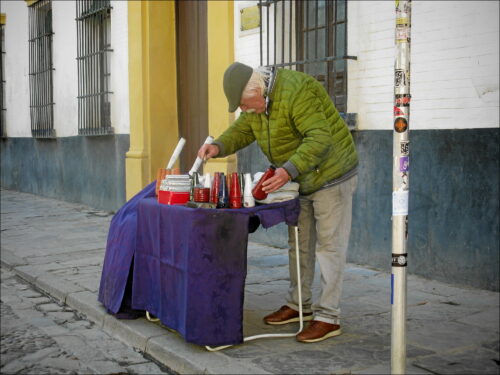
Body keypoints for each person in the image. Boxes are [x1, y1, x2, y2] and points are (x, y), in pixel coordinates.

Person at [198, 62, 358, 343]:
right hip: (299, 179)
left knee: (329, 247)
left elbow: (320, 138)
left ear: (259, 90)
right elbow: (244, 130)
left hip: (331, 175)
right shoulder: (256, 104)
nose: (245, 110)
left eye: (247, 105)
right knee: (299, 245)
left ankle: (328, 317)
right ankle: (300, 305)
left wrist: (287, 170)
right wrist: (219, 146)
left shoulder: (299, 90)